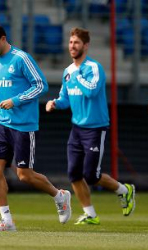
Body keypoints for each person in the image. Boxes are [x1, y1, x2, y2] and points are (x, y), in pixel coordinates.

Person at [0, 24, 71, 231]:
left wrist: (16, 100)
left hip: (24, 126)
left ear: (3, 39)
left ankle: (60, 196)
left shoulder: (21, 58)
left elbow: (41, 85)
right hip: (2, 123)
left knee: (24, 175)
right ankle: (6, 221)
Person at [45, 27, 135, 225]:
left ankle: (124, 190)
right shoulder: (68, 71)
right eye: (70, 42)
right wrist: (55, 104)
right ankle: (91, 215)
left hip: (95, 128)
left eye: (76, 43)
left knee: (91, 175)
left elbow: (92, 92)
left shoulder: (93, 68)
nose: (72, 46)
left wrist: (78, 76)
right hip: (76, 129)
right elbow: (65, 98)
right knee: (74, 174)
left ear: (85, 45)